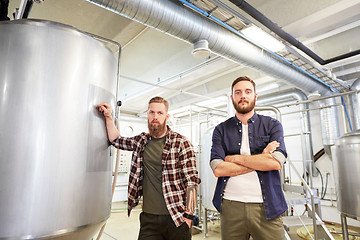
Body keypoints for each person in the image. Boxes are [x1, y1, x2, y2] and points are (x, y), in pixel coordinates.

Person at [97, 96, 201, 240]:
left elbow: (192, 181)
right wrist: (108, 117)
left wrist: (188, 217)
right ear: (148, 114)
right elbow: (116, 140)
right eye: (152, 112)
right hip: (149, 218)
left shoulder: (181, 143)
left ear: (167, 116)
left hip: (176, 217)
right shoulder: (141, 141)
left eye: (160, 113)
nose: (155, 117)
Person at [210, 76, 288, 240]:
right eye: (237, 92)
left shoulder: (272, 125)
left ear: (255, 96)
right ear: (232, 98)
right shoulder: (221, 130)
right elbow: (218, 169)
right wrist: (262, 159)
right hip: (230, 207)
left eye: (247, 91)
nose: (243, 96)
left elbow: (275, 163)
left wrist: (233, 158)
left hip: (268, 207)